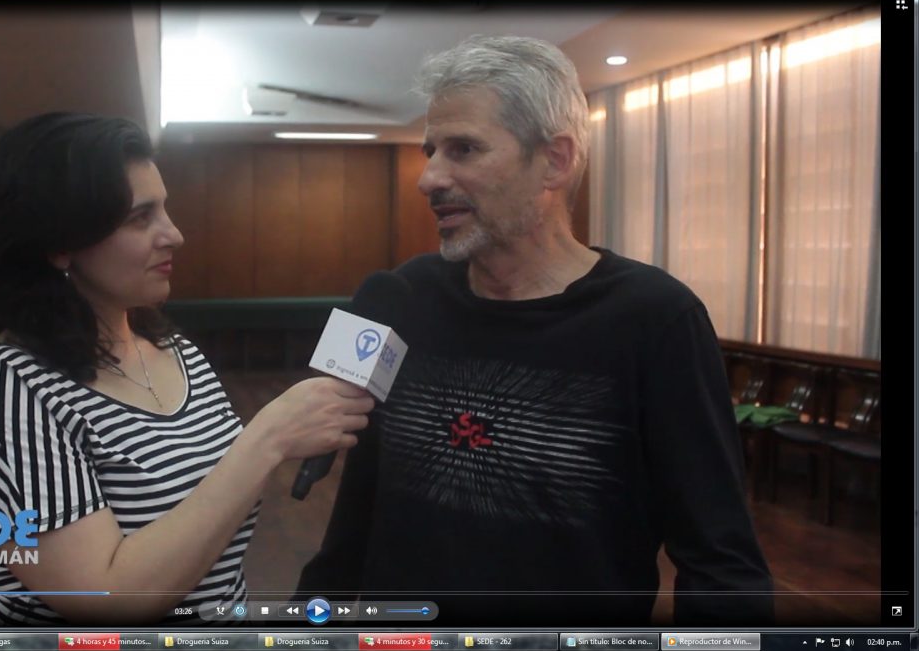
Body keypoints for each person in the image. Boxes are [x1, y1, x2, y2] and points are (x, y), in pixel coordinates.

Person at [296, 36, 774, 626]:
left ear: (555, 160)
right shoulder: (401, 297)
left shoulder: (656, 320)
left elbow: (722, 563)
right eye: (431, 151)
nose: (429, 178)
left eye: (464, 149)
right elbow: (355, 513)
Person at [0, 113, 373, 626]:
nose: (175, 235)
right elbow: (105, 598)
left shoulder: (177, 351)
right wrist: (267, 439)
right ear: (58, 243)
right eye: (140, 218)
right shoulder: (5, 383)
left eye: (164, 209)